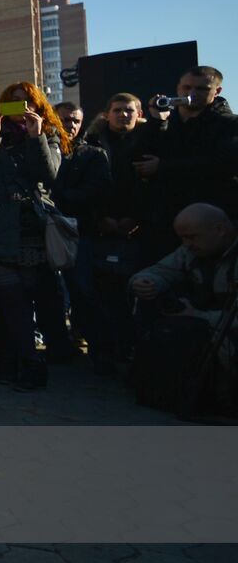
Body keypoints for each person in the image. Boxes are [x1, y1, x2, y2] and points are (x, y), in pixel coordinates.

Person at [0, 81, 69, 391]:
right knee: (9, 300)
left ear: (38, 108)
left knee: (22, 302)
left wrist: (36, 136)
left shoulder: (47, 135)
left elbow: (48, 175)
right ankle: (26, 363)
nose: (20, 110)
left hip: (29, 231)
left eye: (27, 104)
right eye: (13, 103)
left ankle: (15, 363)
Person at [129, 203, 237, 414]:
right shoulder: (192, 250)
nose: (186, 244)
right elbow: (160, 270)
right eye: (183, 238)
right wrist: (145, 283)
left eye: (192, 237)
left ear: (220, 230)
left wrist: (199, 316)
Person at [135, 66, 238, 239]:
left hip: (210, 217)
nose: (192, 93)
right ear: (178, 87)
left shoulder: (229, 125)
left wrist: (164, 167)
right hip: (164, 218)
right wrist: (156, 121)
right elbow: (139, 157)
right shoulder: (167, 123)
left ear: (217, 91)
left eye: (201, 89)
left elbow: (224, 163)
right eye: (187, 87)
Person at [85, 93, 148, 367]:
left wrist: (135, 219)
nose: (123, 115)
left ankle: (134, 350)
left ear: (139, 112)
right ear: (106, 114)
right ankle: (105, 351)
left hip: (139, 229)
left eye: (129, 110)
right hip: (101, 229)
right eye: (118, 110)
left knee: (136, 296)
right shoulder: (92, 143)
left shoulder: (150, 140)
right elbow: (87, 187)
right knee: (102, 296)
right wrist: (101, 218)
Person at [51, 101, 110, 368]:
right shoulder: (44, 149)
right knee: (52, 295)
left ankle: (95, 347)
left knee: (84, 291)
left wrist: (58, 198)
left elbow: (97, 191)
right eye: (64, 119)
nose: (70, 125)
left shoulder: (93, 154)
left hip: (79, 233)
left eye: (75, 120)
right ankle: (60, 346)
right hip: (47, 231)